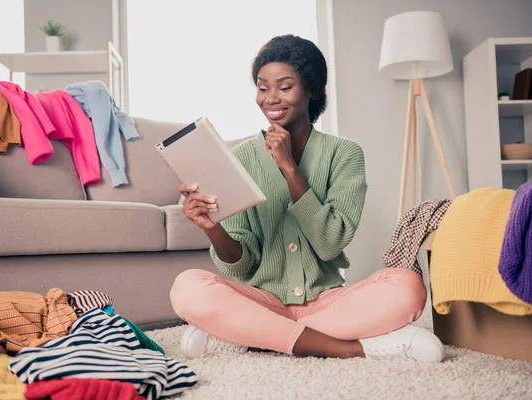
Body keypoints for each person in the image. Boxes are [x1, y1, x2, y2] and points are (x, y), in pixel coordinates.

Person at [170, 35, 445, 362]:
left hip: (327, 301)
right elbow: (242, 264)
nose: (271, 98)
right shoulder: (239, 158)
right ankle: (349, 348)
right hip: (261, 299)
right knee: (187, 287)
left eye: (285, 87)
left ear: (311, 89)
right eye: (262, 87)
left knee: (408, 286)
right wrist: (211, 227)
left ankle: (249, 334)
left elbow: (330, 243)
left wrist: (289, 167)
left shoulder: (345, 154)